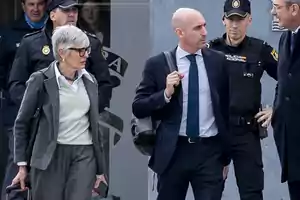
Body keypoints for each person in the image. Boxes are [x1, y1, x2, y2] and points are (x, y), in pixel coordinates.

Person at [132, 8, 230, 200]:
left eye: (204, 26)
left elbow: (226, 107)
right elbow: (138, 106)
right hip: (174, 151)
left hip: (209, 152)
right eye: (197, 28)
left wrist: (225, 155)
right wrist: (166, 93)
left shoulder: (218, 61)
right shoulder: (158, 64)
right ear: (180, 32)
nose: (204, 32)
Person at [12, 25, 107, 200]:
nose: (85, 55)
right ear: (62, 52)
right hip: (50, 155)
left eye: (87, 50)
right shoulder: (40, 79)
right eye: (80, 50)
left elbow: (94, 125)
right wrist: (22, 164)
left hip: (84, 154)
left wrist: (100, 169)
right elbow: (22, 122)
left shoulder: (90, 80)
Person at [207, 0, 278, 199]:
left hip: (246, 133)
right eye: (231, 20)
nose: (235, 25)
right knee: (210, 192)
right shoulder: (210, 50)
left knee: (252, 193)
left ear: (249, 20)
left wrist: (276, 109)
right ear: (223, 20)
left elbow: (290, 79)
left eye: (240, 19)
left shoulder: (261, 50)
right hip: (216, 133)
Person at [8, 0, 113, 114]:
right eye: (66, 10)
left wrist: (89, 110)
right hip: (42, 120)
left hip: (79, 120)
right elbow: (16, 84)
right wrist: (35, 109)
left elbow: (104, 84)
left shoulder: (90, 43)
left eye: (74, 10)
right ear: (52, 15)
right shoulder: (31, 43)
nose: (72, 14)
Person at [0, 0, 48, 198]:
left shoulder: (55, 32)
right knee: (18, 161)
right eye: (31, 4)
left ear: (47, 6)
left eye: (39, 4)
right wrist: (17, 97)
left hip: (47, 112)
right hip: (17, 110)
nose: (35, 9)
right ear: (22, 6)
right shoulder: (9, 33)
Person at [271, 0, 300, 199]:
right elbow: (282, 82)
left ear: (294, 9)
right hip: (291, 144)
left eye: (277, 6)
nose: (273, 12)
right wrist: (276, 111)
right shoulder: (285, 39)